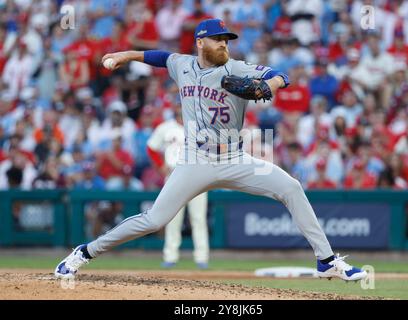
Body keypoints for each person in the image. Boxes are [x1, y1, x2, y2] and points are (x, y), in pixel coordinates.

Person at [55, 19, 367, 282]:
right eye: (218, 40)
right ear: (201, 42)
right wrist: (125, 55)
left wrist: (269, 86)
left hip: (235, 158)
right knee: (154, 220)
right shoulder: (182, 65)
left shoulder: (236, 67)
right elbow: (159, 56)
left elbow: (278, 75)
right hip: (196, 159)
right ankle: (84, 252)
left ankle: (326, 261)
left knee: (292, 188)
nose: (224, 45)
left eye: (227, 41)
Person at [147, 107, 209, 269]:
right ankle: (170, 256)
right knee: (172, 218)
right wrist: (160, 166)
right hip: (174, 175)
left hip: (197, 177)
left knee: (198, 219)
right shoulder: (165, 127)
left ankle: (202, 258)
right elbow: (151, 147)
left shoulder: (200, 126)